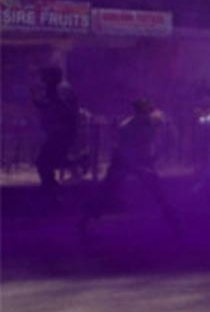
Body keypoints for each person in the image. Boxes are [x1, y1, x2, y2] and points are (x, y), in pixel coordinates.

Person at [82, 98, 178, 232]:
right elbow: (125, 149)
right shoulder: (130, 126)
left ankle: (172, 217)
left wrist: (151, 158)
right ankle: (88, 217)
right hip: (124, 160)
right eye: (146, 110)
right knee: (108, 189)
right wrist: (143, 164)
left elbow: (159, 137)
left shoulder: (146, 123)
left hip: (134, 160)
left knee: (155, 189)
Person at [31, 65, 81, 203]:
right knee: (49, 163)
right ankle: (53, 193)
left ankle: (53, 193)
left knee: (43, 163)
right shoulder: (54, 89)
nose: (41, 78)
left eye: (44, 75)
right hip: (58, 134)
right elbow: (51, 106)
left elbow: (63, 109)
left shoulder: (60, 89)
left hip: (59, 135)